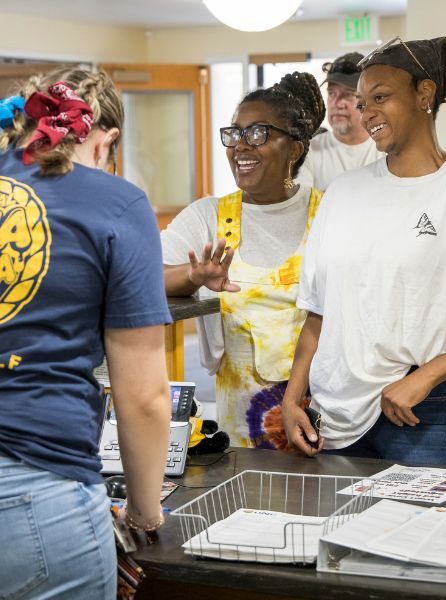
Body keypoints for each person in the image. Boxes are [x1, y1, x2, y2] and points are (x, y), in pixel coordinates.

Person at [281, 37, 446, 466]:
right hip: (334, 419)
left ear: (425, 94)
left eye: (380, 97)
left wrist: (426, 377)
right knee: (336, 535)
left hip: (425, 412)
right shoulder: (342, 194)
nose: (367, 113)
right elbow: (317, 312)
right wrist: (293, 399)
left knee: (427, 534)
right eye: (363, 103)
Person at [0, 68, 171, 598]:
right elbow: (144, 397)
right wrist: (144, 507)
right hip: (36, 485)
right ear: (108, 139)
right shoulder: (116, 203)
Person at [161, 73, 325, 448]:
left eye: (258, 133)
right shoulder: (208, 216)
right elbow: (143, 278)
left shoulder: (327, 211)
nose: (240, 146)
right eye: (234, 134)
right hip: (241, 419)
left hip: (323, 411)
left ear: (295, 149)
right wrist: (193, 276)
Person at [296, 52, 382, 191]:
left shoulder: (385, 151)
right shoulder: (308, 151)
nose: (337, 103)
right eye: (331, 94)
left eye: (348, 94)